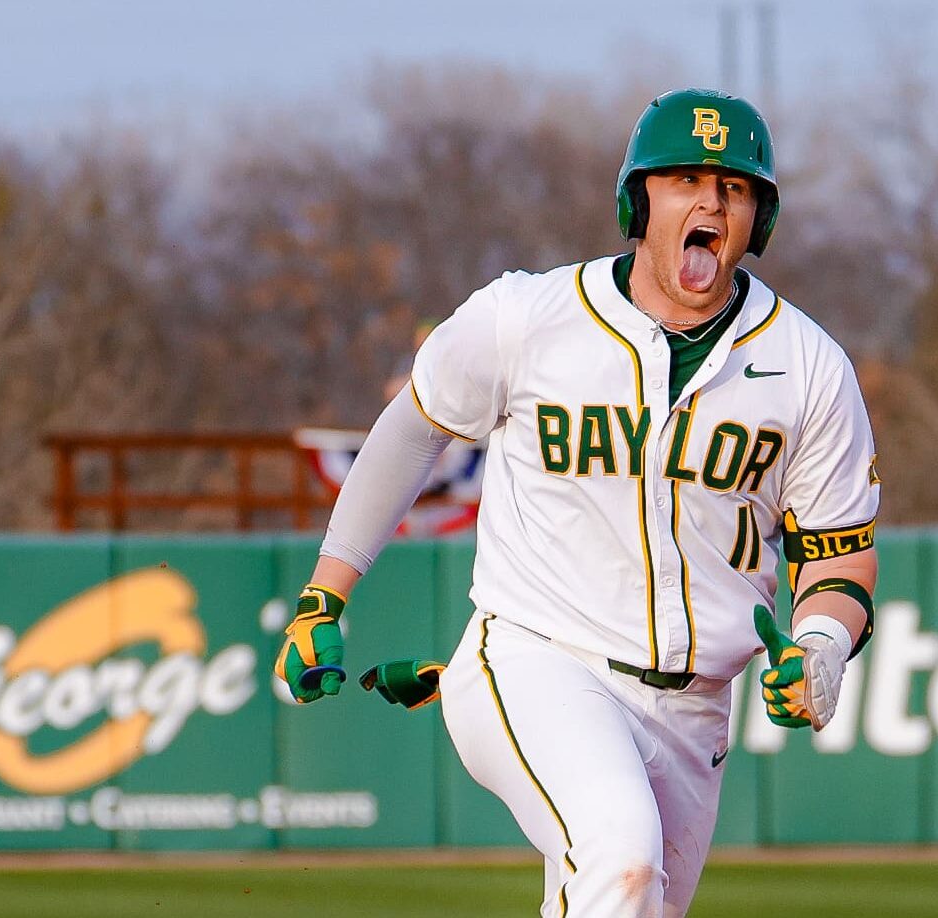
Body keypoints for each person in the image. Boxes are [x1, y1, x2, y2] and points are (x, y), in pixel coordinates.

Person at [274, 88, 880, 917]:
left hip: (694, 710)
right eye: (684, 180)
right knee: (620, 858)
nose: (710, 201)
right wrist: (325, 594)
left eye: (735, 188)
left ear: (758, 219)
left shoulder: (809, 365)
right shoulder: (528, 318)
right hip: (537, 656)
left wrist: (818, 643)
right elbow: (411, 434)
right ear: (640, 200)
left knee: (622, 896)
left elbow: (840, 551)